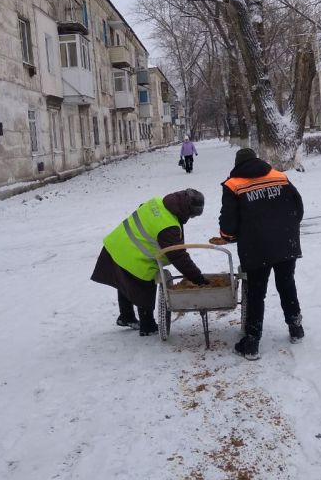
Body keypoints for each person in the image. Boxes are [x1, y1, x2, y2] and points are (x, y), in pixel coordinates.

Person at [217, 148, 304, 360]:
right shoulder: (279, 176)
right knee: (286, 284)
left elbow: (228, 225)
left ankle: (252, 342)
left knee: (256, 293)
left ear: (237, 164)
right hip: (286, 242)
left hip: (255, 247)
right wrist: (287, 228)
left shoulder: (233, 184)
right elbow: (298, 207)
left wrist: (228, 236)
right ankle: (296, 328)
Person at [91, 189, 209, 336]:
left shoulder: (157, 202)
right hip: (133, 256)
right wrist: (198, 278)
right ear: (187, 209)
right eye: (192, 215)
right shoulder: (168, 226)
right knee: (143, 287)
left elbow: (143, 216)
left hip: (116, 244)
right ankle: (148, 326)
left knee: (124, 281)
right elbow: (178, 256)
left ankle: (126, 316)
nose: (191, 218)